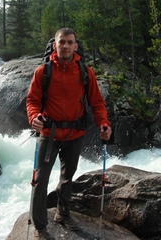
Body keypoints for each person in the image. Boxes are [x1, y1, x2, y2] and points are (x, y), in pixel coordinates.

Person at [26, 28, 112, 239]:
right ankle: (40, 227)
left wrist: (103, 124)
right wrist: (34, 117)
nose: (65, 46)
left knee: (67, 177)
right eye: (61, 42)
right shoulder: (43, 72)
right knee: (40, 180)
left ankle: (63, 215)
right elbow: (32, 101)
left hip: (75, 133)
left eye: (69, 42)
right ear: (55, 44)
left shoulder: (85, 72)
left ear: (75, 46)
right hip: (49, 133)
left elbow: (97, 103)